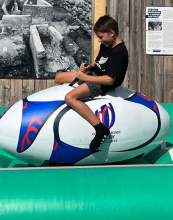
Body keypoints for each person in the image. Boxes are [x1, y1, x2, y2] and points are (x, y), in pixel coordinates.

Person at [54, 15, 129, 151]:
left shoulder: (119, 52)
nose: (99, 40)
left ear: (112, 32)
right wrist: (90, 67)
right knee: (59, 77)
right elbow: (100, 61)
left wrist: (86, 77)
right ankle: (56, 113)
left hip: (102, 83)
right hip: (93, 74)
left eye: (101, 37)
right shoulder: (106, 44)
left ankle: (100, 128)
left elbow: (109, 79)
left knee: (69, 97)